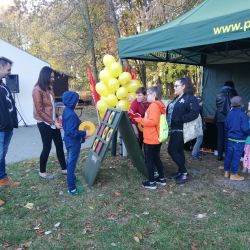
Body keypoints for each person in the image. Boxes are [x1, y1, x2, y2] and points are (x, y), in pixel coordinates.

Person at [32, 66, 66, 179]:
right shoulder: (37, 90)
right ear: (45, 76)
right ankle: (42, 172)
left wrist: (58, 115)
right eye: (51, 76)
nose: (53, 79)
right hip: (44, 123)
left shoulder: (49, 88)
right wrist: (53, 122)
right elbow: (40, 111)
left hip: (53, 121)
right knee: (47, 147)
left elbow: (52, 104)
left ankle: (64, 168)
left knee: (60, 145)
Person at [167, 77, 199, 184]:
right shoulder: (177, 97)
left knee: (172, 150)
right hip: (174, 129)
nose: (174, 87)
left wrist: (181, 119)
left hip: (181, 129)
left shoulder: (190, 98)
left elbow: (195, 113)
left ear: (183, 86)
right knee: (179, 150)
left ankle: (184, 173)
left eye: (176, 86)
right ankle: (181, 171)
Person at [135, 86, 166, 189]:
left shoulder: (154, 105)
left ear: (154, 95)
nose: (147, 96)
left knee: (149, 160)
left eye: (148, 94)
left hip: (151, 138)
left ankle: (152, 182)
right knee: (156, 158)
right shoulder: (159, 104)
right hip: (156, 137)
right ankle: (161, 179)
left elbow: (153, 122)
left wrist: (140, 120)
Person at [0, 57, 20, 207]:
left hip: (7, 128)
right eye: (8, 69)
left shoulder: (3, 84)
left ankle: (3, 179)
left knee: (2, 155)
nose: (9, 72)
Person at [62, 91, 88, 195]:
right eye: (76, 100)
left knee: (69, 161)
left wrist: (81, 124)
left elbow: (70, 128)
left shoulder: (67, 111)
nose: (77, 102)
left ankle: (71, 178)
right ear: (71, 101)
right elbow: (71, 131)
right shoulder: (71, 114)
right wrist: (85, 132)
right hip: (73, 143)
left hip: (69, 141)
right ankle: (71, 188)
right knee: (72, 163)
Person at [224, 96, 250, 181]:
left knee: (229, 155)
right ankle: (233, 174)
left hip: (230, 139)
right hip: (239, 139)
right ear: (241, 104)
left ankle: (226, 172)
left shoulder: (230, 113)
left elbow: (226, 125)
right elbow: (246, 128)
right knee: (236, 157)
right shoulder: (243, 115)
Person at [215, 80, 238, 161]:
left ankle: (219, 156)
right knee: (227, 139)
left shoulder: (218, 94)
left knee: (220, 138)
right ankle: (227, 157)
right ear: (232, 86)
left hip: (219, 119)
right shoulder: (234, 94)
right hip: (229, 119)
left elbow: (218, 108)